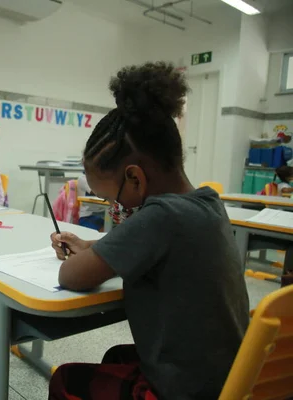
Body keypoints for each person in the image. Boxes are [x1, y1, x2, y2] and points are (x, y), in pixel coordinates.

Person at [48, 62, 249, 399]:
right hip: (231, 379)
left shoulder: (161, 215)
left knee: (65, 381)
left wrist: (83, 257)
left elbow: (71, 276)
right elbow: (152, 247)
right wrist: (92, 246)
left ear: (135, 178)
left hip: (187, 392)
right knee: (116, 357)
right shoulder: (206, 203)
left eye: (111, 199)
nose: (114, 208)